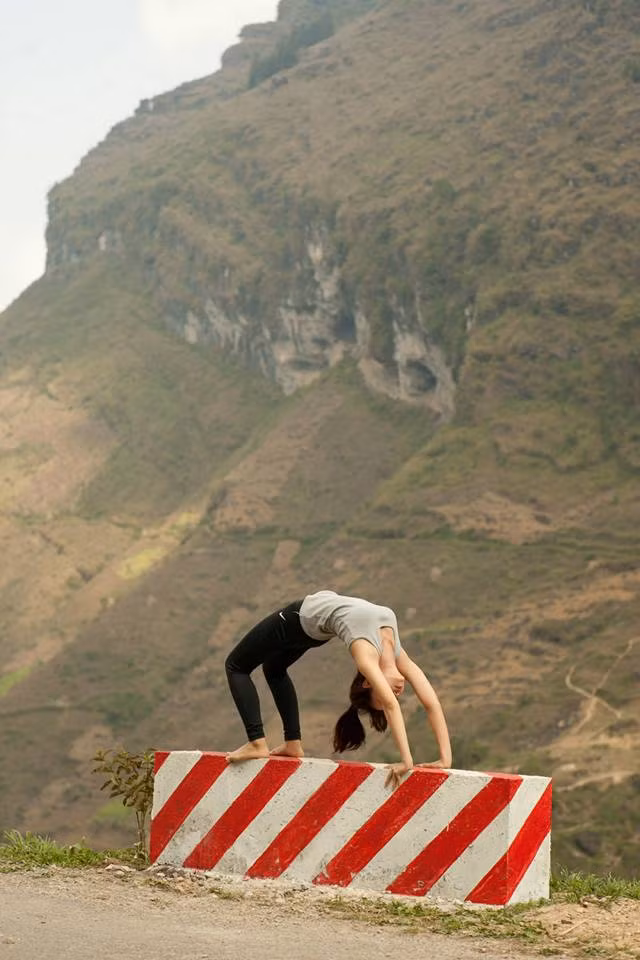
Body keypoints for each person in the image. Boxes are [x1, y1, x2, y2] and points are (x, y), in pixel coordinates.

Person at [224, 589, 452, 788]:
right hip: (311, 625)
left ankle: (257, 742)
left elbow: (428, 704)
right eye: (386, 695)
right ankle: (293, 744)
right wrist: (413, 761)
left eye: (384, 695)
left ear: (369, 683)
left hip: (301, 619)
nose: (393, 695)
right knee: (274, 669)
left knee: (236, 666)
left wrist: (442, 759)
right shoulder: (397, 655)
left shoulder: (367, 656)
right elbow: (421, 704)